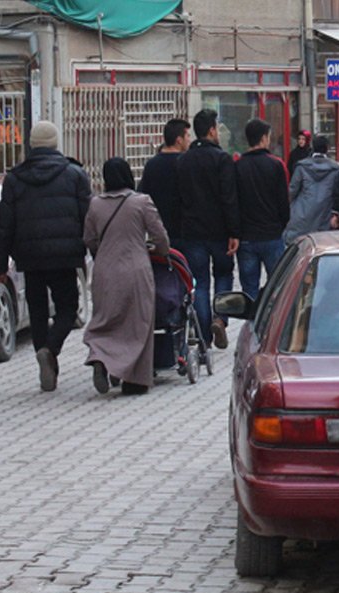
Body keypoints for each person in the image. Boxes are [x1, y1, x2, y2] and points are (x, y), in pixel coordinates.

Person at [0, 121, 91, 392]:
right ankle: (51, 348)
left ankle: (42, 355)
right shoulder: (74, 174)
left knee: (36, 310)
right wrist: (96, 253)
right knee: (68, 308)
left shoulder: (14, 179)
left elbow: (4, 226)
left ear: (32, 144)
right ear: (55, 143)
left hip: (30, 257)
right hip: (65, 256)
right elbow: (88, 218)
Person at [82, 158, 170, 396]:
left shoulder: (95, 205)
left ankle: (100, 357)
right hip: (135, 269)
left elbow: (89, 239)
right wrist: (163, 251)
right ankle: (135, 380)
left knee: (105, 318)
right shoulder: (141, 202)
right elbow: (159, 236)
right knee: (137, 323)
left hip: (105, 271)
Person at [177, 109, 240, 351]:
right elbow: (229, 198)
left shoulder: (183, 161)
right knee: (223, 275)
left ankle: (204, 334)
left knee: (200, 282)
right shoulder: (222, 159)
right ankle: (220, 319)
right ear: (212, 130)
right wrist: (235, 232)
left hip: (193, 232)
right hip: (220, 232)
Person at [235, 119, 290, 300]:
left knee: (249, 288)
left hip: (247, 238)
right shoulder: (276, 164)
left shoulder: (238, 166)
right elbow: (284, 202)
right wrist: (280, 225)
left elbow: (233, 201)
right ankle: (275, 323)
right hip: (272, 234)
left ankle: (251, 323)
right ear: (264, 138)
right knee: (279, 287)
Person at [138, 118, 190, 248]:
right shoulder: (186, 163)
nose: (190, 140)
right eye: (188, 136)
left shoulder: (152, 164)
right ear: (179, 140)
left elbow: (143, 195)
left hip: (159, 228)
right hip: (185, 229)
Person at [285, 135, 339, 242]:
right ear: (327, 148)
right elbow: (338, 193)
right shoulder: (336, 169)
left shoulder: (302, 167)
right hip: (324, 216)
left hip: (302, 215)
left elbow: (292, 191)